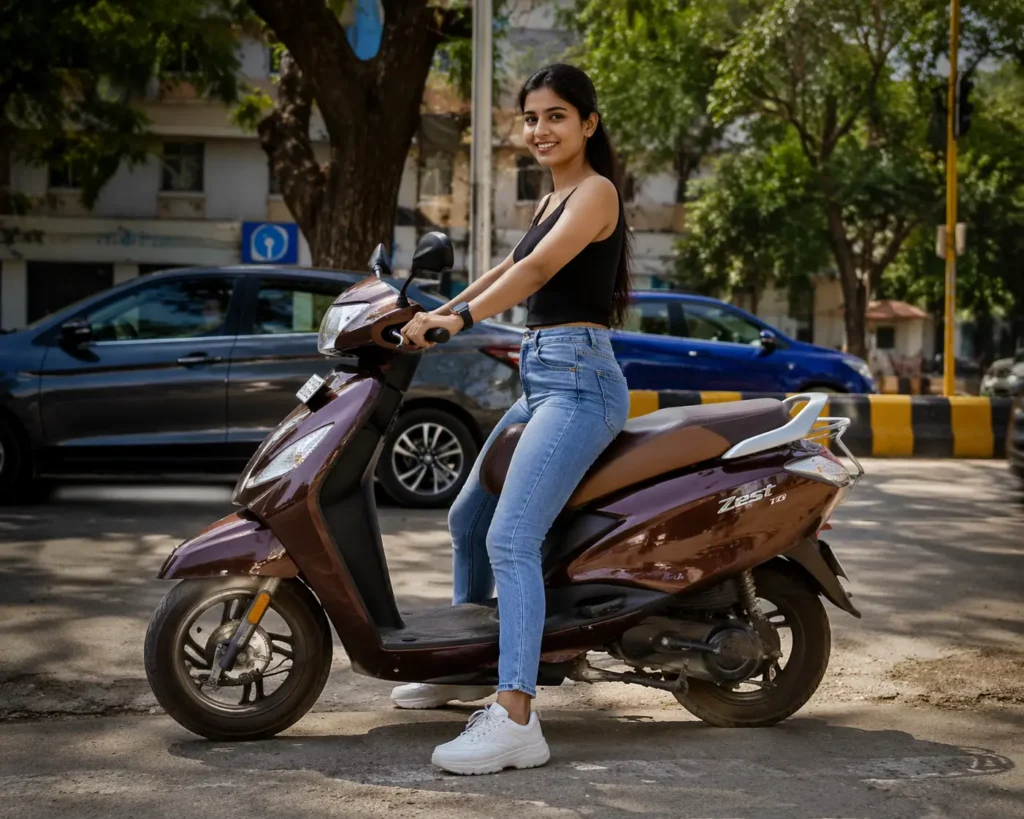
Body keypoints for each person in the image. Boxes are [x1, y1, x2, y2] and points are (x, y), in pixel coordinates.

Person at [395, 63, 633, 776]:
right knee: (467, 518)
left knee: (511, 534)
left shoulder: (595, 193)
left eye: (556, 115)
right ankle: (473, 664)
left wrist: (457, 321)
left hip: (581, 384)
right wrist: (438, 311)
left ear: (588, 124)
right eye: (531, 117)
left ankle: (516, 715)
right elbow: (505, 267)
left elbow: (533, 278)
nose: (540, 130)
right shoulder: (551, 197)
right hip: (544, 379)